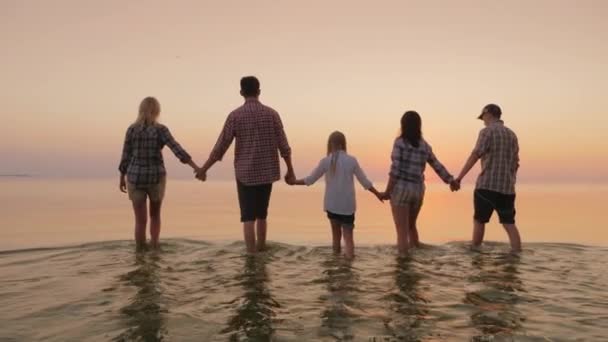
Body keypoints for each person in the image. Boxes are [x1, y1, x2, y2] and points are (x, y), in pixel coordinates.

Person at [196, 76, 295, 254]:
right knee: (262, 214)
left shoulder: (235, 116)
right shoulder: (272, 114)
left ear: (241, 92)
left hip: (245, 173)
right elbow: (284, 145)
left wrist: (204, 169)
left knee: (248, 217)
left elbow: (220, 146)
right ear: (259, 91)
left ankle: (251, 255)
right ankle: (262, 249)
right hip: (267, 172)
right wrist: (290, 171)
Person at [287, 131, 383, 259]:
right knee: (348, 239)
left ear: (330, 144)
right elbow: (364, 181)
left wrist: (293, 182)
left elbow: (310, 180)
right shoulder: (352, 161)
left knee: (336, 238)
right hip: (347, 207)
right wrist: (377, 194)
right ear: (343, 144)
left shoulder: (326, 161)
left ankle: (335, 263)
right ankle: (348, 266)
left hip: (332, 206)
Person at [119, 97, 199, 250]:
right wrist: (195, 166)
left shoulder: (131, 129)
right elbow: (177, 149)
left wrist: (121, 177)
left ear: (140, 110)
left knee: (139, 221)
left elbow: (125, 155)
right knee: (155, 216)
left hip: (135, 178)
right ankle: (155, 248)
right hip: (156, 178)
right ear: (157, 111)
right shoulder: (160, 130)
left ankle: (140, 253)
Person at [381, 111, 459, 254]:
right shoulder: (424, 145)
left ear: (403, 125)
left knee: (402, 231)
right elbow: (437, 165)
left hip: (401, 190)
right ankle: (416, 258)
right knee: (411, 226)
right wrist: (450, 180)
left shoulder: (400, 143)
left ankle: (403, 265)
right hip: (418, 191)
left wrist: (387, 192)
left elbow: (395, 169)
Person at [454, 104, 522, 252]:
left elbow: (475, 155)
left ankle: (475, 253)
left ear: (488, 114)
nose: (483, 121)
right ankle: (517, 254)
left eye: (483, 117)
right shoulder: (512, 135)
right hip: (507, 189)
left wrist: (459, 178)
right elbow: (516, 163)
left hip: (487, 187)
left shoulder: (486, 132)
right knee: (509, 224)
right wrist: (511, 181)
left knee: (479, 221)